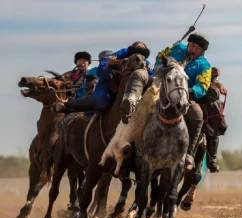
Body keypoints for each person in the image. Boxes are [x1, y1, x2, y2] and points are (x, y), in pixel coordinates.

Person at [153, 32, 212, 170]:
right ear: (188, 44)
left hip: (184, 97)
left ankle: (189, 154)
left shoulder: (204, 65)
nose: (193, 49)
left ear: (202, 51)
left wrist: (186, 92)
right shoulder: (176, 48)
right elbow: (159, 57)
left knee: (197, 114)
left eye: (197, 48)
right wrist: (158, 70)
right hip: (161, 89)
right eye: (192, 45)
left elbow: (202, 86)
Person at [54, 42, 153, 114]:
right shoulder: (121, 53)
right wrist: (111, 74)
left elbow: (153, 76)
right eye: (80, 60)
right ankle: (68, 106)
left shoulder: (145, 63)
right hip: (108, 85)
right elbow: (103, 66)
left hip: (131, 88)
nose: (137, 56)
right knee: (102, 101)